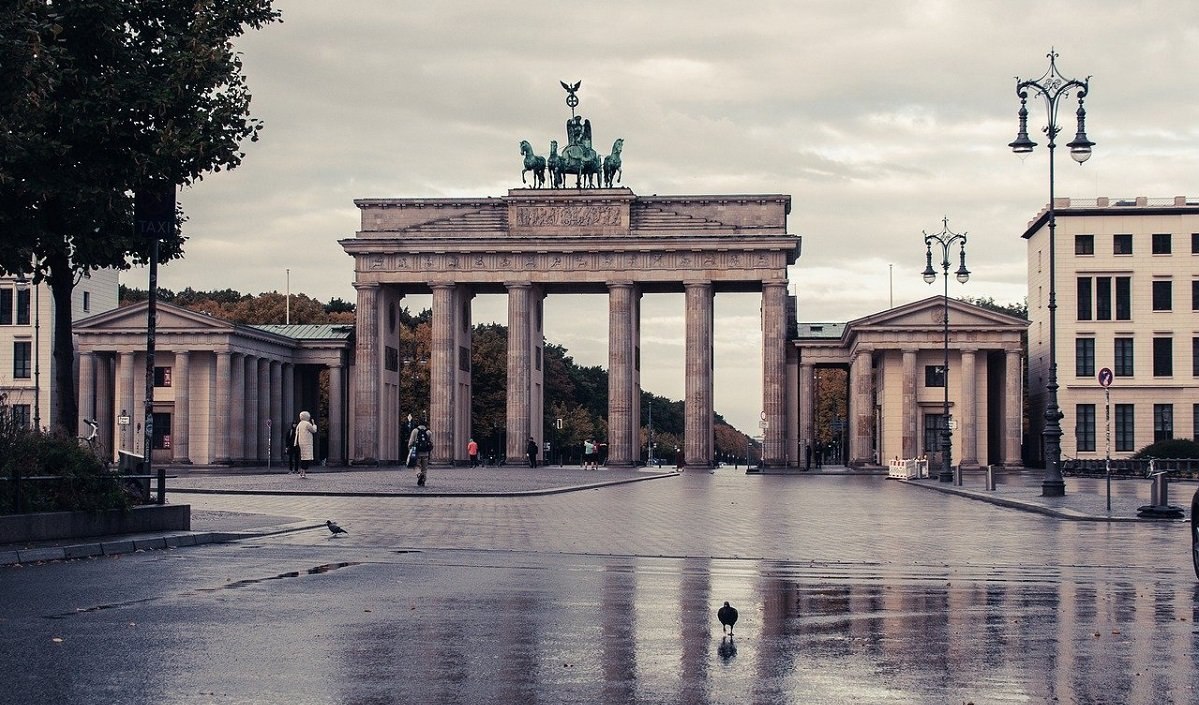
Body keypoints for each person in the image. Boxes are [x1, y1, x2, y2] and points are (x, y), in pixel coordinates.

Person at [408, 419, 433, 486]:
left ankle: (419, 474)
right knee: (424, 468)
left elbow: (411, 442)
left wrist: (410, 449)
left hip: (417, 452)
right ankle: (423, 481)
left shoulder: (415, 431)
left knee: (416, 465)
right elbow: (431, 443)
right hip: (425, 453)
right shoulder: (429, 432)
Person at [294, 411, 317, 479]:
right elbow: (314, 430)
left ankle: (302, 471)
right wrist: (314, 424)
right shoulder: (307, 424)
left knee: (302, 458)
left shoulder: (299, 424)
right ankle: (303, 472)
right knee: (306, 458)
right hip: (307, 443)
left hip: (300, 443)